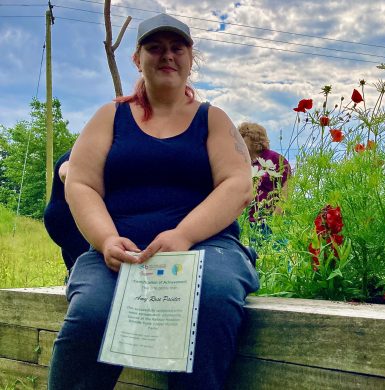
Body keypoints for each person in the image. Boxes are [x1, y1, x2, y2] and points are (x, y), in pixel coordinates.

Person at [48, 13, 259, 390]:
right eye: (155, 48)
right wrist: (106, 240)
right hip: (118, 250)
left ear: (191, 58)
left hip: (207, 247)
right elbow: (80, 183)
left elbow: (237, 184)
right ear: (137, 58)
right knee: (92, 311)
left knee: (210, 299)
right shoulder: (109, 117)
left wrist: (182, 236)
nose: (167, 56)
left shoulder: (213, 120)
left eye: (177, 48)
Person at [237, 122, 291, 232]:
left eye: (244, 137)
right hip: (250, 221)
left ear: (256, 140)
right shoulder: (244, 163)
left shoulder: (275, 158)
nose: (240, 141)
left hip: (271, 220)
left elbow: (287, 188)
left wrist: (277, 216)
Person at [43, 149, 90, 273]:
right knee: (86, 263)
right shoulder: (81, 151)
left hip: (64, 218)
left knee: (76, 263)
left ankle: (72, 280)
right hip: (67, 219)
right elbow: (65, 172)